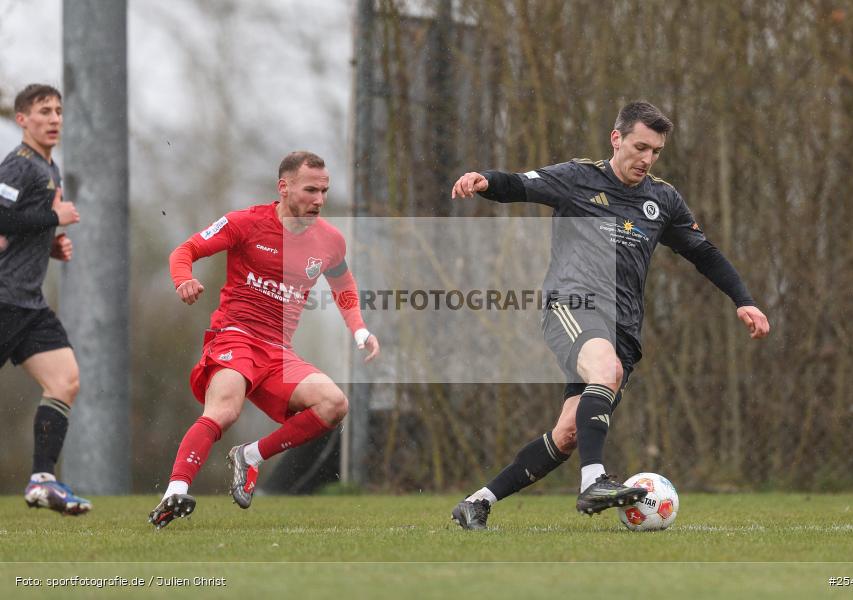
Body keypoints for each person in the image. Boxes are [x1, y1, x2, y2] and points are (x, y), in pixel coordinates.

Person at [449, 101, 770, 529]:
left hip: (624, 327)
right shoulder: (577, 178)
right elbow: (519, 184)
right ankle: (594, 481)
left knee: (568, 434)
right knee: (606, 368)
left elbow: (704, 253)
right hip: (572, 303)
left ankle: (477, 503)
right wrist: (484, 180)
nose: (647, 158)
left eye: (655, 151)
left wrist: (742, 299)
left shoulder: (663, 199)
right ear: (616, 139)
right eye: (640, 146)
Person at [149, 151, 379, 528]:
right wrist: (183, 279)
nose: (319, 200)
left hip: (278, 351)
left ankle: (251, 456)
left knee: (334, 403)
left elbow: (343, 284)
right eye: (310, 190)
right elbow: (185, 250)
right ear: (284, 187)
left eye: (324, 191)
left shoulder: (330, 241)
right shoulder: (245, 222)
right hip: (235, 336)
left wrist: (359, 328)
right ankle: (175, 490)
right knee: (224, 411)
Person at [0, 84, 90, 515]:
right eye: (43, 111)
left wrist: (48, 243)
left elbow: (17, 227)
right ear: (22, 120)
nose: (54, 119)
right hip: (3, 300)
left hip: (28, 304)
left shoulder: (48, 168)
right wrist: (55, 218)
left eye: (58, 110)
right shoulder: (20, 166)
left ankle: (42, 481)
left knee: (64, 380)